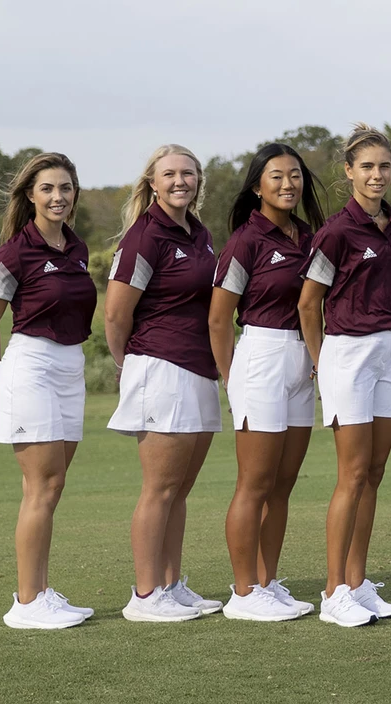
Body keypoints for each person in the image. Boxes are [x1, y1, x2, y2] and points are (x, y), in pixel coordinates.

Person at [0, 153, 97, 629]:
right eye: (47, 188)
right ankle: (27, 603)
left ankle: (41, 592)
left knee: (50, 486)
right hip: (31, 365)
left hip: (71, 367)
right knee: (42, 487)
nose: (57, 197)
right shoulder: (14, 253)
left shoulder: (78, 248)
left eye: (65, 188)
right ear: (30, 195)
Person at [106, 144, 224, 622]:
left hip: (198, 370)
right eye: (170, 174)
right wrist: (129, 363)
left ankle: (171, 585)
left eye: (188, 174)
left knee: (179, 490)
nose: (180, 181)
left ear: (198, 181)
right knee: (159, 488)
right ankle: (145, 594)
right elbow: (116, 314)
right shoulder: (144, 236)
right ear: (152, 183)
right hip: (161, 368)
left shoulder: (200, 233)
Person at [209, 143, 326, 621]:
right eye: (276, 176)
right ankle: (243, 593)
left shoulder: (310, 236)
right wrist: (232, 379)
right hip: (261, 356)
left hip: (302, 359)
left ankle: (267, 582)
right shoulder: (245, 241)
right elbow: (218, 320)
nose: (287, 184)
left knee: (283, 484)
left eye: (295, 175)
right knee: (254, 483)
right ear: (257, 185)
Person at [298, 124, 391, 628]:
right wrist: (322, 364)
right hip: (347, 354)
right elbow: (307, 304)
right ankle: (332, 589)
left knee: (376, 473)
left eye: (384, 166)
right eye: (367, 166)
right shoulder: (336, 231)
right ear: (349, 172)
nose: (377, 175)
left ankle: (358, 584)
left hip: (388, 352)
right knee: (353, 474)